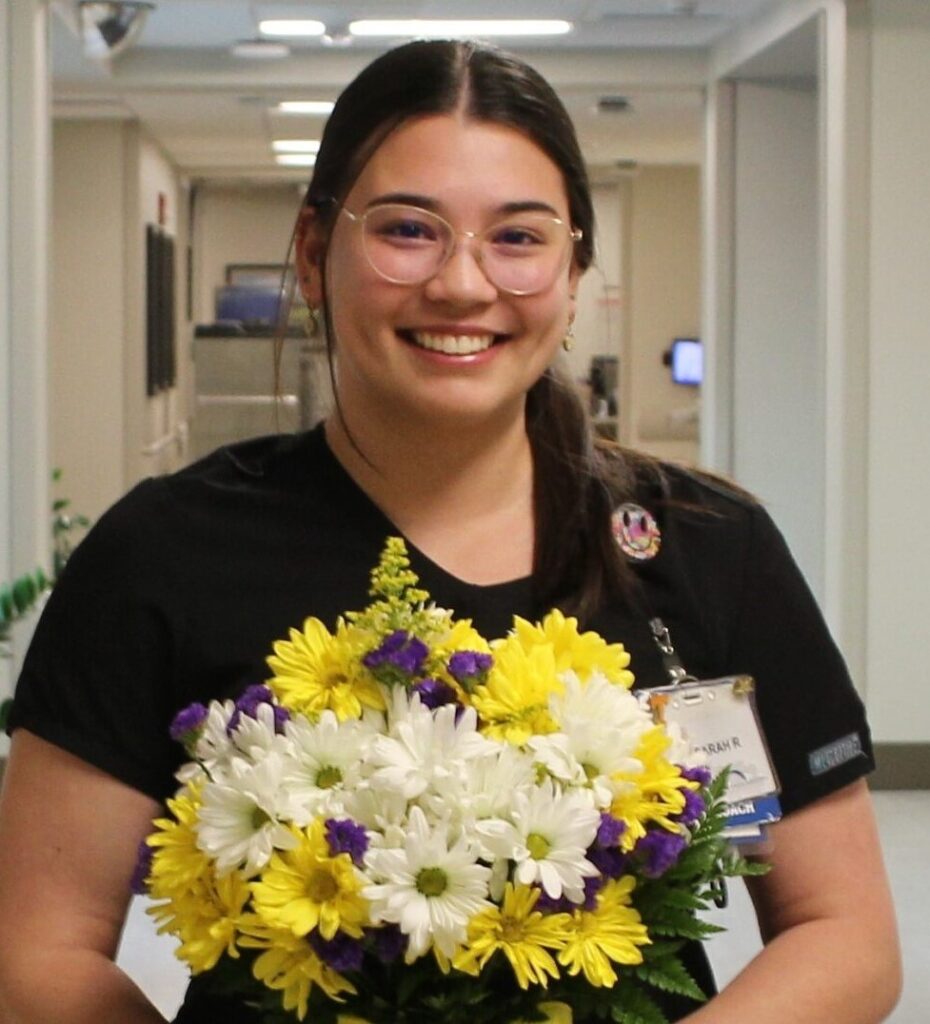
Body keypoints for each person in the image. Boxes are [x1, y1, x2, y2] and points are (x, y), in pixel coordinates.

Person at [0, 39, 900, 1024]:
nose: (464, 285)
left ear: (574, 273)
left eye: (519, 238)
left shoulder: (705, 545)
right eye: (408, 230)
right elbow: (37, 948)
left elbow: (843, 934)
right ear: (314, 250)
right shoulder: (167, 552)